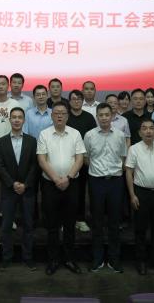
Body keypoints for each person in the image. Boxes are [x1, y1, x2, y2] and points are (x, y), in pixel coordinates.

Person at [37, 102, 86, 275]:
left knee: (70, 224)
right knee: (52, 225)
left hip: (71, 184)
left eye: (63, 113)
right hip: (50, 185)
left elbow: (80, 159)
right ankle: (53, 260)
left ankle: (69, 259)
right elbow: (42, 160)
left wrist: (68, 178)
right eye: (56, 113)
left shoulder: (75, 133)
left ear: (67, 116)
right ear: (52, 116)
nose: (59, 115)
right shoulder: (44, 134)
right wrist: (56, 179)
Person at [125, 118, 154, 275]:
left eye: (151, 128)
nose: (148, 131)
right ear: (140, 132)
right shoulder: (134, 149)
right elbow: (129, 173)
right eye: (144, 128)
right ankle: (141, 262)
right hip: (141, 193)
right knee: (140, 230)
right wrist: (132, 195)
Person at [84, 103, 127, 273]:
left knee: (115, 222)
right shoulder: (89, 135)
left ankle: (114, 259)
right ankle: (97, 259)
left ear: (111, 116)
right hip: (96, 181)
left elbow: (123, 157)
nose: (104, 118)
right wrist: (99, 170)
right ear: (97, 117)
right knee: (97, 222)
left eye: (106, 115)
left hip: (116, 181)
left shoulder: (120, 135)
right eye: (100, 115)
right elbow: (86, 158)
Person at [0, 107, 38, 271]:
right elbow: (0, 166)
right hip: (8, 190)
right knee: (6, 226)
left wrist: (25, 184)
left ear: (24, 120)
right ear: (9, 120)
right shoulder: (1, 142)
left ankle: (28, 257)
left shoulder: (32, 141)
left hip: (27, 190)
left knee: (28, 225)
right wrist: (12, 184)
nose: (16, 120)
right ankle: (7, 258)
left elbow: (35, 165)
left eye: (20, 117)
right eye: (13, 117)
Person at [66, 89, 96, 233]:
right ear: (69, 101)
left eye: (79, 99)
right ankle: (66, 220)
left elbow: (93, 139)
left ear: (82, 101)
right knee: (66, 191)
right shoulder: (65, 117)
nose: (76, 101)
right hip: (66, 159)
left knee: (81, 191)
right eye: (74, 98)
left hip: (84, 160)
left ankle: (80, 219)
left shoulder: (89, 117)